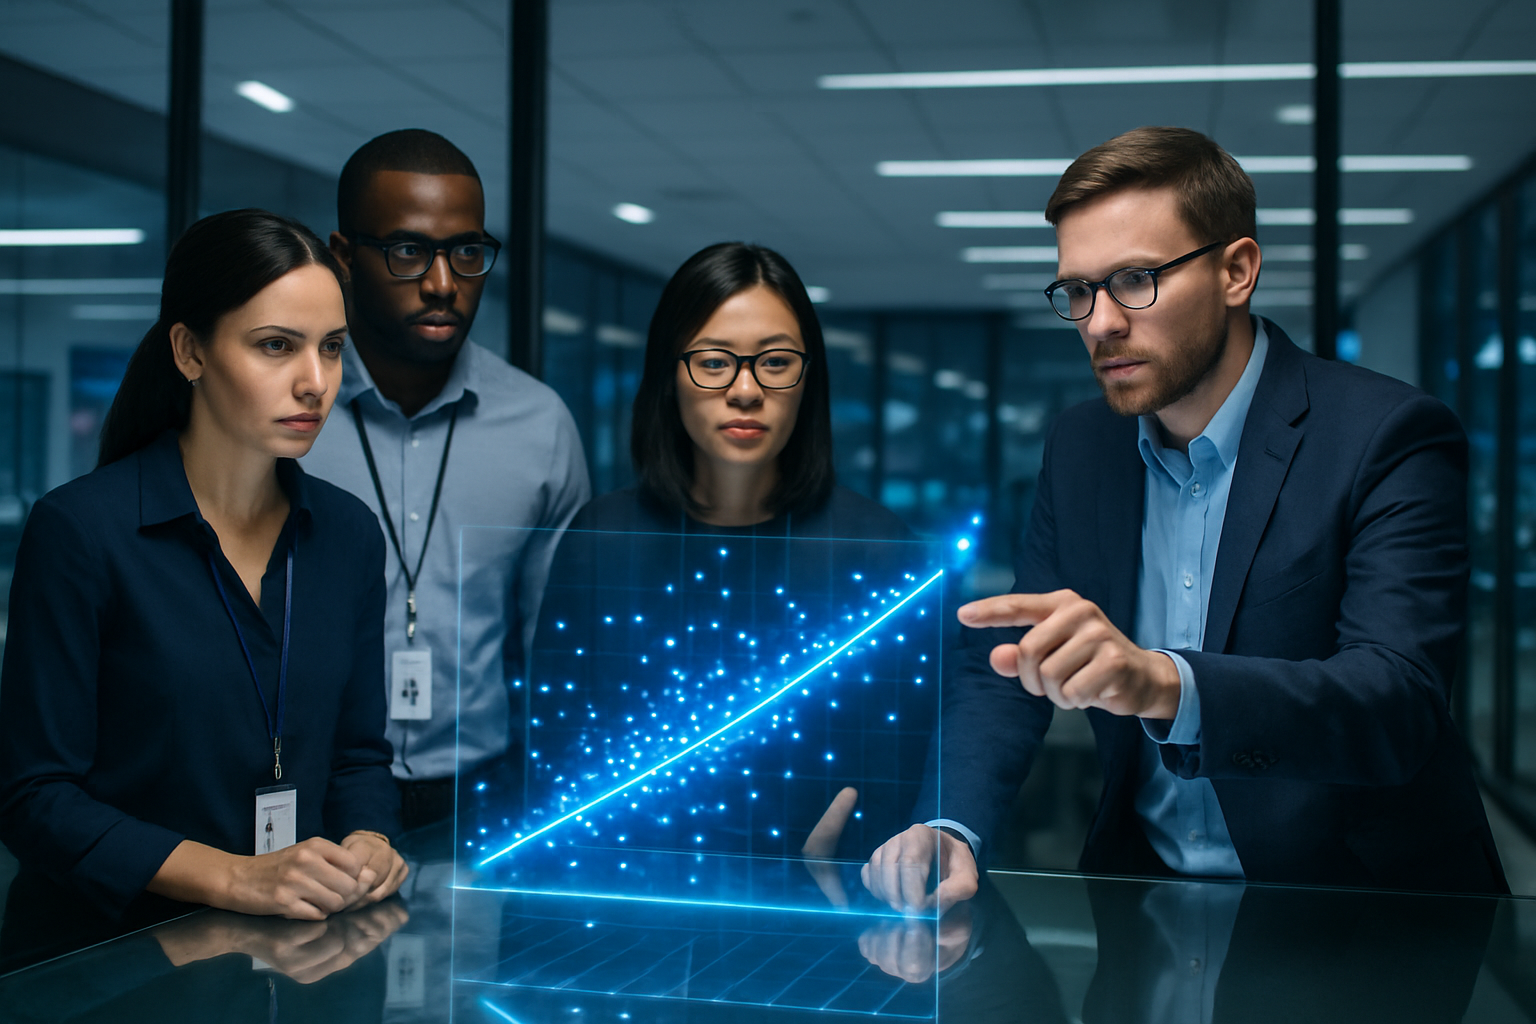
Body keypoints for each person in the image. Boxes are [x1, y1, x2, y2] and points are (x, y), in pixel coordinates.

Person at [863, 125, 1506, 912]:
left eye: (1136, 279)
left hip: (1358, 909)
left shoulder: (1387, 433)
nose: (1099, 323)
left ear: (1236, 271)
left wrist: (1165, 682)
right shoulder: (1082, 443)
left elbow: (1397, 701)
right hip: (1145, 901)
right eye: (1079, 291)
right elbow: (1010, 663)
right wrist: (949, 823)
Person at [0, 209, 407, 925]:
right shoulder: (82, 531)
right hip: (106, 960)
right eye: (277, 346)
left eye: (333, 348)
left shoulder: (348, 535)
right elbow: (34, 795)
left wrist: (370, 839)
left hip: (291, 950)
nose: (316, 382)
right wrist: (236, 879)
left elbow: (359, 757)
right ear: (189, 352)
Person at [512, 242, 934, 864]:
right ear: (668, 374)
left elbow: (905, 771)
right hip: (622, 914)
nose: (745, 390)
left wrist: (860, 865)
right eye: (713, 362)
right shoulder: (601, 540)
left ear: (808, 376)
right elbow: (551, 766)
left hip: (822, 918)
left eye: (775, 361)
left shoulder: (877, 551)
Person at [301, 130, 590, 831]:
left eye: (466, 252)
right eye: (407, 251)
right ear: (343, 257)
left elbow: (557, 648)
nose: (442, 283)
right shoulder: (286, 416)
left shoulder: (540, 423)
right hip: (306, 802)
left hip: (481, 802)